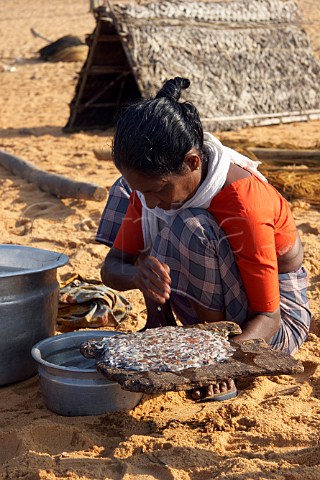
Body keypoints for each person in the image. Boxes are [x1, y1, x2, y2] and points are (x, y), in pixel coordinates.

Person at [96, 77, 311, 401]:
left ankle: (211, 345)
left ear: (193, 162)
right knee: (126, 191)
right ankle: (161, 325)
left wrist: (218, 363)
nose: (150, 202)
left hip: (272, 326)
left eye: (158, 189)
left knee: (189, 226)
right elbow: (111, 268)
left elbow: (269, 317)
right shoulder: (153, 187)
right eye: (147, 192)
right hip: (208, 300)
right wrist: (137, 276)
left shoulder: (243, 204)